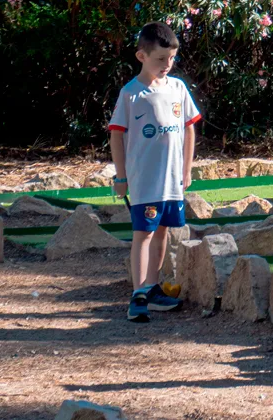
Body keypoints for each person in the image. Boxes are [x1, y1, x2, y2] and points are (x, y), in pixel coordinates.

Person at [108, 21, 202, 322]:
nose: (167, 64)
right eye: (161, 59)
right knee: (144, 233)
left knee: (162, 231)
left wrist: (186, 170)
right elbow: (116, 136)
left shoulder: (178, 88)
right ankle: (137, 295)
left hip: (172, 180)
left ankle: (152, 287)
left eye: (171, 58)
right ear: (142, 56)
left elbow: (189, 129)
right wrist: (121, 177)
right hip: (144, 180)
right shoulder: (131, 94)